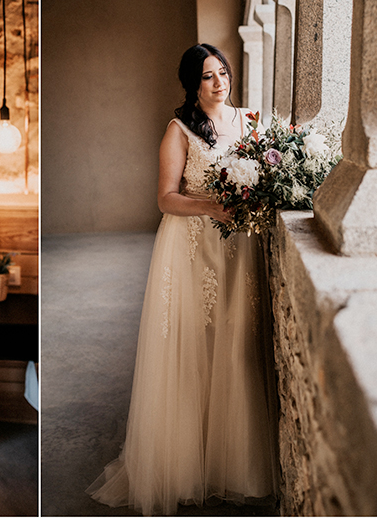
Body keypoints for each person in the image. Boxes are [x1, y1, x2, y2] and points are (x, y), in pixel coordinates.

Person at [86, 44, 278, 515]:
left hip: (240, 249)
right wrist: (213, 206)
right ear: (192, 86)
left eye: (223, 73)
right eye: (208, 77)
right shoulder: (179, 131)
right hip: (193, 247)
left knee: (238, 344)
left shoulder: (252, 122)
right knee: (193, 345)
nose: (219, 83)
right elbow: (166, 199)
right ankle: (186, 464)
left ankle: (232, 463)